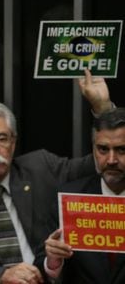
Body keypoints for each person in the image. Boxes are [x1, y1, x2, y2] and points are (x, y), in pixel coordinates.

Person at [0, 69, 112, 284]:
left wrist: (103, 109)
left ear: (13, 142)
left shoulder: (40, 168)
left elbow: (106, 164)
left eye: (1, 138)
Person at [39, 107, 125, 284]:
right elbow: (43, 271)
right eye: (102, 149)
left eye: (122, 150)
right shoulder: (68, 199)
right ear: (93, 149)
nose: (111, 160)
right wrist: (53, 262)